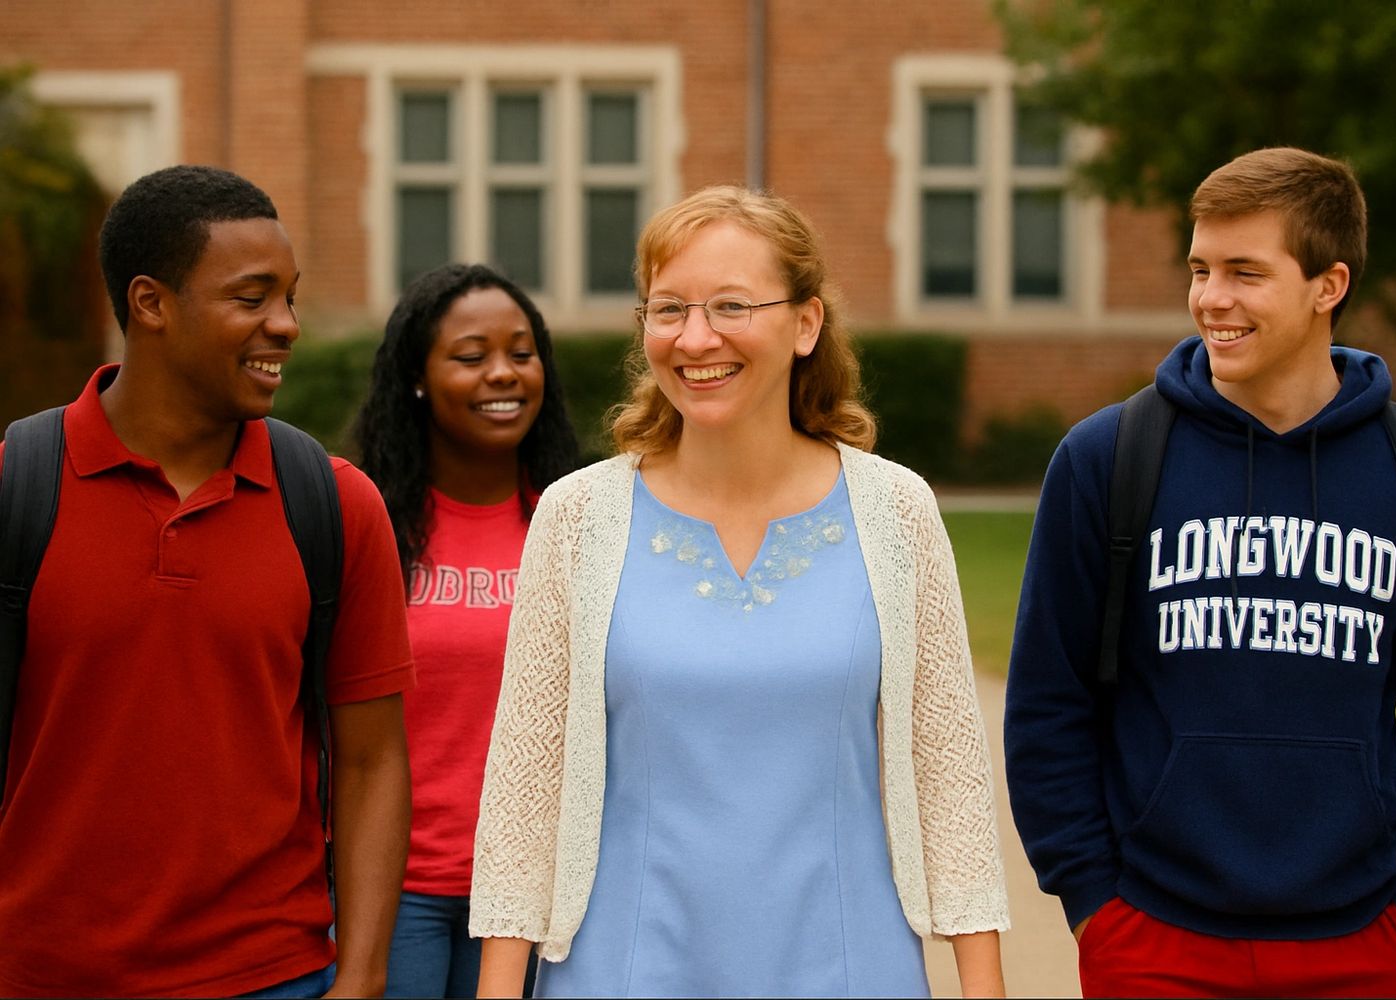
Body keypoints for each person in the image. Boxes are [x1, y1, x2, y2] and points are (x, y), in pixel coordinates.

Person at [467, 185, 1009, 998]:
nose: (695, 338)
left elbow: (951, 783)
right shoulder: (578, 519)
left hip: (849, 970)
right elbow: (524, 798)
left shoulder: (897, 513)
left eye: (731, 306)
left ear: (806, 323)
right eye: (669, 309)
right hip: (624, 971)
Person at [1004, 146, 1396, 998]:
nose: (1210, 298)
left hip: (1364, 943)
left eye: (1244, 272)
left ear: (1328, 285)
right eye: (1200, 268)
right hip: (1153, 942)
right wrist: (1095, 905)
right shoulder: (1107, 459)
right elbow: (1049, 706)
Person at [0, 165, 415, 998]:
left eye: (289, 297)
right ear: (151, 304)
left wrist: (363, 978)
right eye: (252, 298)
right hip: (40, 973)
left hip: (273, 976)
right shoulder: (16, 487)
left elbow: (373, 762)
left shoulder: (335, 505)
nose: (286, 325)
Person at [352, 262, 579, 998]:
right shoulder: (366, 523)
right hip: (400, 890)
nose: (503, 373)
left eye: (522, 352)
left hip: (540, 892)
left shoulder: (576, 523)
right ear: (417, 378)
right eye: (472, 355)